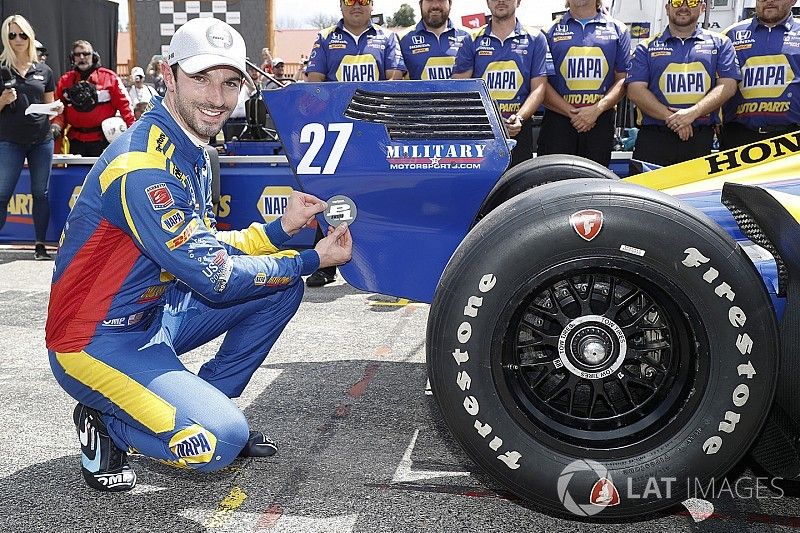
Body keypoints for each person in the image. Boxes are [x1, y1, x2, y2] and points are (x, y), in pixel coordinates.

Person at [46, 16, 352, 492]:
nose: (216, 98)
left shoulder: (191, 147)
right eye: (200, 79)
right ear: (167, 77)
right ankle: (109, 422)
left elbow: (203, 248)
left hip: (153, 315)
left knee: (279, 289)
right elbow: (217, 276)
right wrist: (312, 259)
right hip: (91, 340)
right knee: (217, 442)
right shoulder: (142, 166)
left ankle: (211, 402)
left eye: (229, 83)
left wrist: (281, 229)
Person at [304, 0, 405, 288]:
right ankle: (325, 265)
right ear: (340, 5)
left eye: (364, 0)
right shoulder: (325, 38)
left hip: (376, 133)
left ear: (372, 5)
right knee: (331, 195)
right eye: (350, 0)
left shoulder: (387, 38)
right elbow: (314, 84)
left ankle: (384, 264)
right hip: (338, 133)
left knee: (382, 196)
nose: (357, 5)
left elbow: (394, 82)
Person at [626, 0, 740, 168]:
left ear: (702, 8)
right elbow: (635, 90)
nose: (684, 7)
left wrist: (693, 113)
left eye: (692, 2)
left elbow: (729, 86)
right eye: (677, 1)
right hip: (654, 137)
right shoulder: (646, 47)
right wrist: (674, 119)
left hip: (699, 136)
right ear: (667, 8)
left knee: (695, 194)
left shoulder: (721, 43)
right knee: (643, 193)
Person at [452, 0, 549, 167]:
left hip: (518, 127)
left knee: (520, 189)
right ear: (488, 2)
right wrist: (488, 119)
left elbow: (539, 88)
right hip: (481, 132)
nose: (501, 1)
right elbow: (459, 87)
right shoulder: (472, 39)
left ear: (518, 2)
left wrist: (519, 118)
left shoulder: (536, 38)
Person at [0, 15, 63, 260]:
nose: (18, 40)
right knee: (2, 193)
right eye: (12, 35)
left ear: (30, 36)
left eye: (22, 35)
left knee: (41, 193)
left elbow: (52, 107)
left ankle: (40, 245)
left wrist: (56, 110)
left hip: (41, 140)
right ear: (6, 38)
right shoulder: (2, 68)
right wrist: (3, 101)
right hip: (9, 140)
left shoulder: (44, 70)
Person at [539, 0, 631, 167]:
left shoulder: (619, 29)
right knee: (556, 187)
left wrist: (597, 109)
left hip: (600, 120)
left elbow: (623, 80)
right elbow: (540, 83)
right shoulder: (548, 31)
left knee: (595, 186)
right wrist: (572, 113)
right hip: (558, 121)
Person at [720, 0, 800, 149]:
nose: (769, 1)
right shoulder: (730, 34)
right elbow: (715, 83)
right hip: (738, 136)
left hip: (792, 137)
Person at [52, 40, 135, 156]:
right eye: (77, 54)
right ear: (73, 58)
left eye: (86, 54)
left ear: (94, 56)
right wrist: (56, 127)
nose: (82, 57)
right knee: (76, 173)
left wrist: (133, 134)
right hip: (76, 140)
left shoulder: (110, 78)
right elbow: (58, 111)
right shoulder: (65, 81)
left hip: (104, 139)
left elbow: (125, 107)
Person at [399, 0, 469, 80]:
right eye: (429, 0)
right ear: (420, 4)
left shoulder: (468, 37)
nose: (435, 5)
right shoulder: (401, 39)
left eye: (441, 0)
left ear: (450, 3)